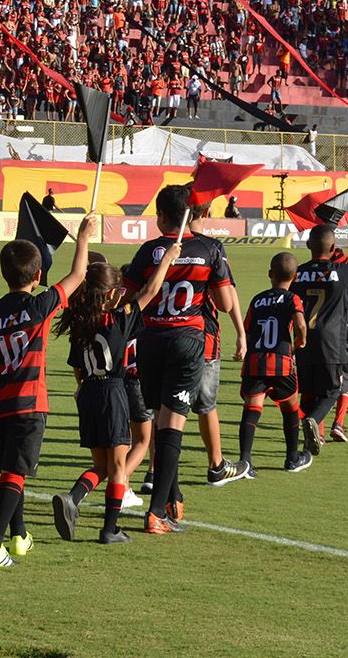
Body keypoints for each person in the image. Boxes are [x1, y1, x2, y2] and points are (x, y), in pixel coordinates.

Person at [0, 215, 95, 565]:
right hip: (28, 402)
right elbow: (77, 277)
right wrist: (83, 239)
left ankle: (18, 536)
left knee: (12, 468)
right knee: (15, 473)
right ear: (38, 276)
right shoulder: (39, 306)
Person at [122, 185, 243, 531]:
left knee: (161, 421)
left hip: (149, 341)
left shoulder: (148, 251)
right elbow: (223, 303)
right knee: (173, 425)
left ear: (161, 217)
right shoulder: (210, 249)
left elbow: (131, 298)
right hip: (187, 342)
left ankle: (172, 495)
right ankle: (156, 511)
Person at [50, 238, 174, 544]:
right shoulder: (119, 318)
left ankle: (73, 498)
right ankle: (109, 530)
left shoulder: (80, 322)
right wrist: (168, 259)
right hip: (112, 391)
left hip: (88, 393)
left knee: (101, 466)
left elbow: (77, 368)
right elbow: (149, 291)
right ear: (109, 295)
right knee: (118, 467)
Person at [294, 227, 348, 447]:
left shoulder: (298, 272)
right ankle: (315, 421)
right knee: (332, 390)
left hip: (303, 339)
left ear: (308, 246)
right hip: (332, 341)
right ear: (333, 248)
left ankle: (314, 433)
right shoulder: (341, 271)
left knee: (308, 391)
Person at [236, 252, 310, 472]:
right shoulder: (292, 298)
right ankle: (292, 458)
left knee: (252, 409)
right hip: (282, 362)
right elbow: (301, 324)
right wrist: (301, 342)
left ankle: (245, 461)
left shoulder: (258, 299)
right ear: (295, 277)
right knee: (290, 408)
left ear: (270, 274)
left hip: (255, 361)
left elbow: (248, 331)